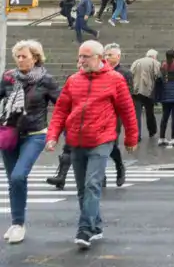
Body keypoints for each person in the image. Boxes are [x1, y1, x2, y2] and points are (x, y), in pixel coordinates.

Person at [45, 40, 138, 250]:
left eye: (85, 57)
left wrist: (131, 137)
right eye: (79, 56)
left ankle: (84, 229)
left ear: (99, 58)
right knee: (81, 188)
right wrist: (52, 135)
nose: (80, 61)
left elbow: (127, 110)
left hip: (101, 139)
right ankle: (96, 226)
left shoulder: (116, 80)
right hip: (76, 141)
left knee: (92, 185)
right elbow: (61, 110)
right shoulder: (73, 80)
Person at [0, 40, 59, 244]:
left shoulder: (46, 80)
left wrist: (55, 134)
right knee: (13, 181)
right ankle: (17, 223)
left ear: (35, 57)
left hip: (35, 134)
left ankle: (18, 224)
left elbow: (59, 106)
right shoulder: (8, 78)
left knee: (18, 176)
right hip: (9, 134)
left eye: (24, 56)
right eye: (17, 56)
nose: (20, 59)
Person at [101, 44, 132, 187]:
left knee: (111, 144)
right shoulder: (100, 71)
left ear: (118, 57)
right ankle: (101, 174)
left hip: (115, 114)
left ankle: (119, 166)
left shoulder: (124, 73)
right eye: (105, 55)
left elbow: (127, 96)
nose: (107, 58)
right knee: (99, 144)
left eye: (110, 55)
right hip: (99, 112)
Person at [129, 49, 161, 142]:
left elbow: (131, 73)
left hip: (136, 91)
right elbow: (158, 76)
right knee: (150, 112)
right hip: (149, 91)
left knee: (136, 114)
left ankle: (137, 135)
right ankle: (152, 131)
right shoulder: (155, 63)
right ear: (154, 56)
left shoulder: (136, 61)